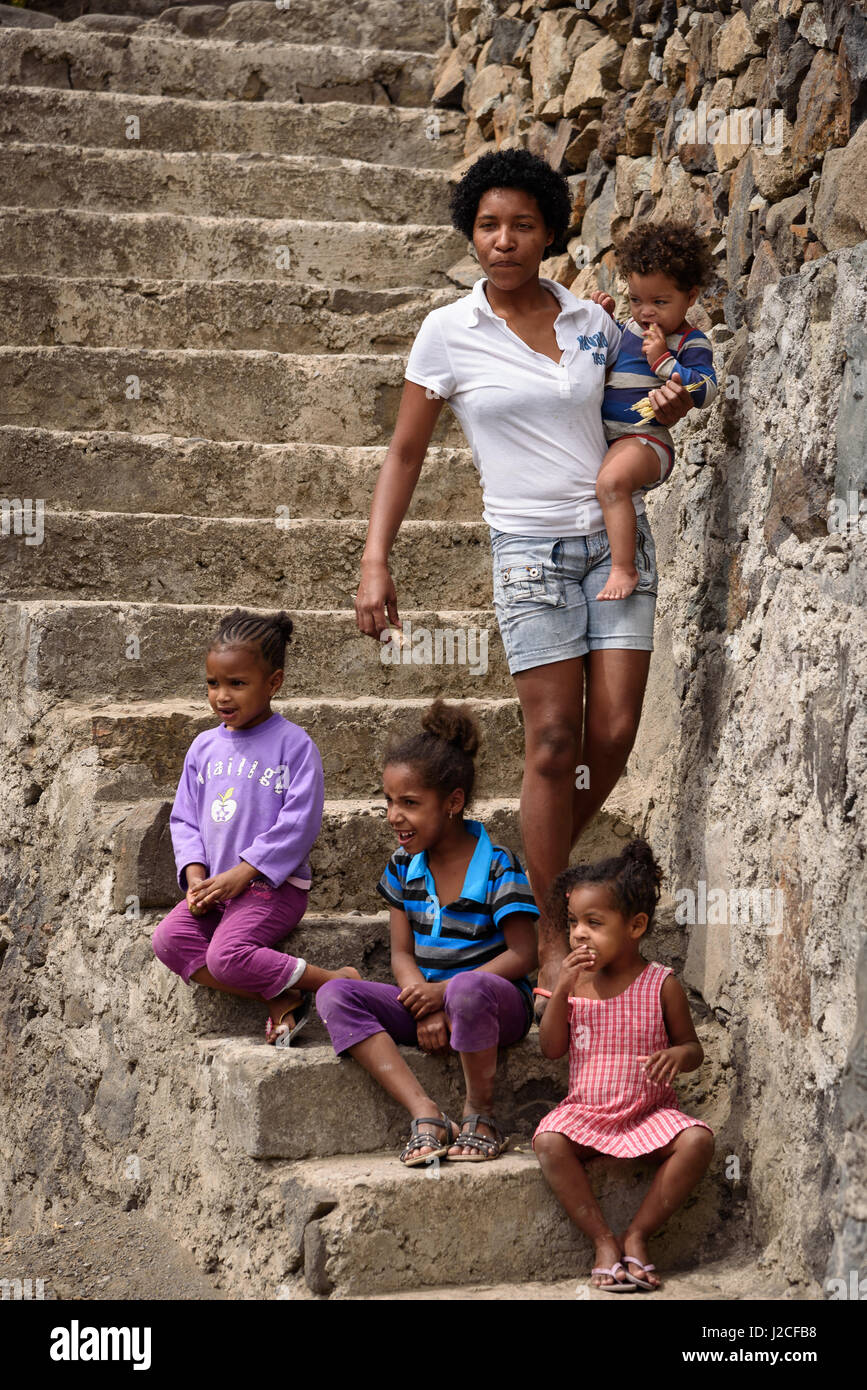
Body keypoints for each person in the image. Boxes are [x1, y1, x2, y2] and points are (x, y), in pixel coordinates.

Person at [354, 148, 697, 1004]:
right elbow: (404, 450)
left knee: (612, 736)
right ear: (470, 234)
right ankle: (547, 934)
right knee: (550, 744)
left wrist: (673, 397)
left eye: (522, 225)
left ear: (548, 232)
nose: (503, 240)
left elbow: (645, 400)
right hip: (529, 556)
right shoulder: (447, 331)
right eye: (487, 226)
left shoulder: (594, 321)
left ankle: (511, 877)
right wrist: (374, 557)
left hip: (614, 544)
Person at [315, 700, 539, 1165]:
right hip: (430, 1000)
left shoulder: (498, 865)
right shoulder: (403, 867)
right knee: (335, 994)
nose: (395, 816)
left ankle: (480, 1112)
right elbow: (401, 953)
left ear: (453, 803)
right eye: (389, 802)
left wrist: (445, 994)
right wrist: (422, 999)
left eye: (410, 803)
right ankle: (426, 1112)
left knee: (471, 988)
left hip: (492, 1006)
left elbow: (523, 953)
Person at [152, 607, 358, 1046]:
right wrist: (196, 877)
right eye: (213, 683)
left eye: (237, 684)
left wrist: (244, 873)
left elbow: (299, 823)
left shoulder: (294, 745)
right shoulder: (203, 748)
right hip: (216, 892)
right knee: (168, 941)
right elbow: (184, 819)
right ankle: (280, 993)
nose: (222, 696)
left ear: (274, 683)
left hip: (270, 889)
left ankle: (334, 980)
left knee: (225, 958)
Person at [533, 840, 714, 1292]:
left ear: (635, 926)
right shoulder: (574, 984)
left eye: (594, 923)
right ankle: (603, 1240)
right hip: (587, 1114)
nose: (578, 934)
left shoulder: (661, 984)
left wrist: (678, 1055)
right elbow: (552, 1049)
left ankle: (637, 1234)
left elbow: (693, 1049)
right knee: (549, 1141)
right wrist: (561, 990)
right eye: (573, 922)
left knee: (697, 1140)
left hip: (648, 1115)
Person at [590, 221, 717, 600]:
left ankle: (624, 568)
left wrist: (663, 360)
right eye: (635, 300)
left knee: (612, 484)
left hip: (645, 439)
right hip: (606, 437)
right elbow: (604, 355)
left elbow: (706, 388)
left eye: (660, 303)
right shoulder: (628, 328)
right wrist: (604, 317)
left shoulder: (691, 341)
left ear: (690, 296)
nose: (645, 313)